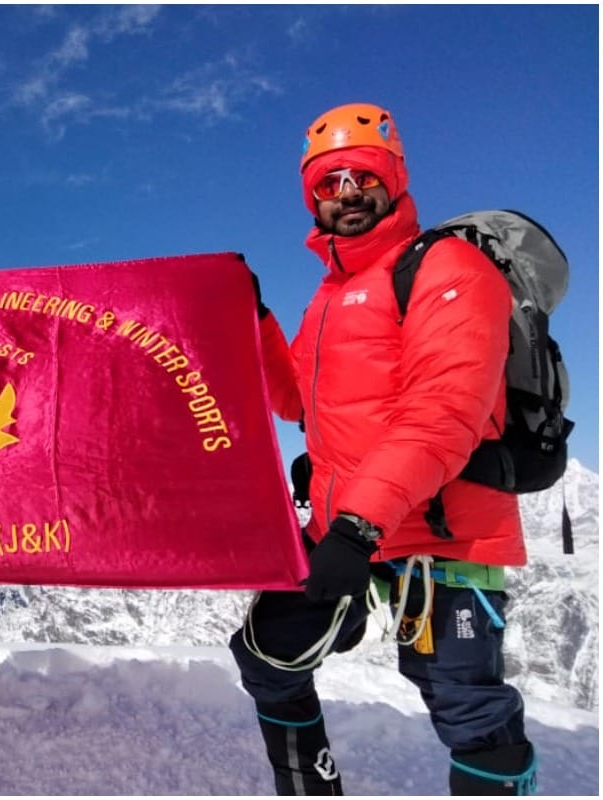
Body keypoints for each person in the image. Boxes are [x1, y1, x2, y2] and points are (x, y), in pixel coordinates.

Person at [229, 104, 536, 795]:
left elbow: (444, 413)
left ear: (392, 179)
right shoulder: (331, 297)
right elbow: (296, 403)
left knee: (468, 709)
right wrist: (253, 319)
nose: (346, 193)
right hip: (350, 527)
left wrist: (358, 524)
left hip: (441, 535)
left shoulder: (449, 268)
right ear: (314, 199)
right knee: (267, 655)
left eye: (360, 176)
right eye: (328, 183)